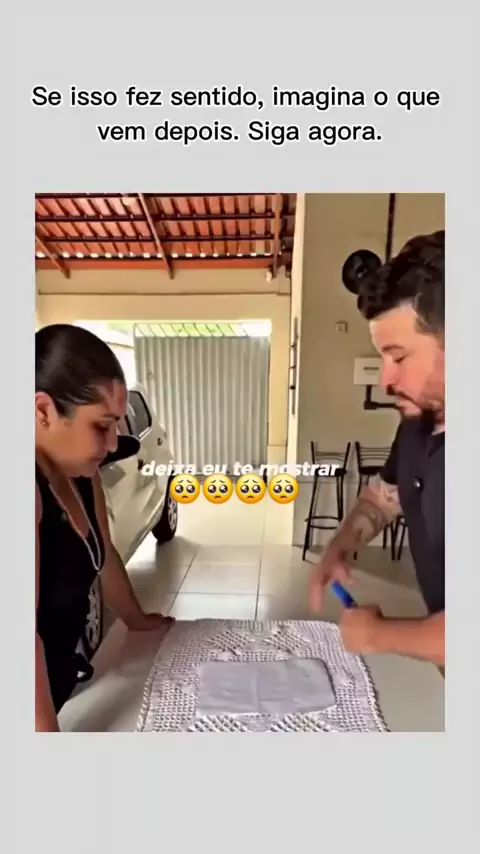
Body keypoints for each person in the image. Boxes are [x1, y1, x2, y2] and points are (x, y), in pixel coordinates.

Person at [310, 230, 445, 666]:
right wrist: (341, 545)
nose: (385, 379)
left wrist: (378, 634)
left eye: (399, 357)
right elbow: (383, 499)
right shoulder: (419, 423)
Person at [35, 323, 174, 731]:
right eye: (101, 426)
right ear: (43, 411)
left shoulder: (81, 474)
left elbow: (104, 555)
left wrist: (136, 619)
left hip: (56, 684)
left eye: (117, 423)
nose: (114, 443)